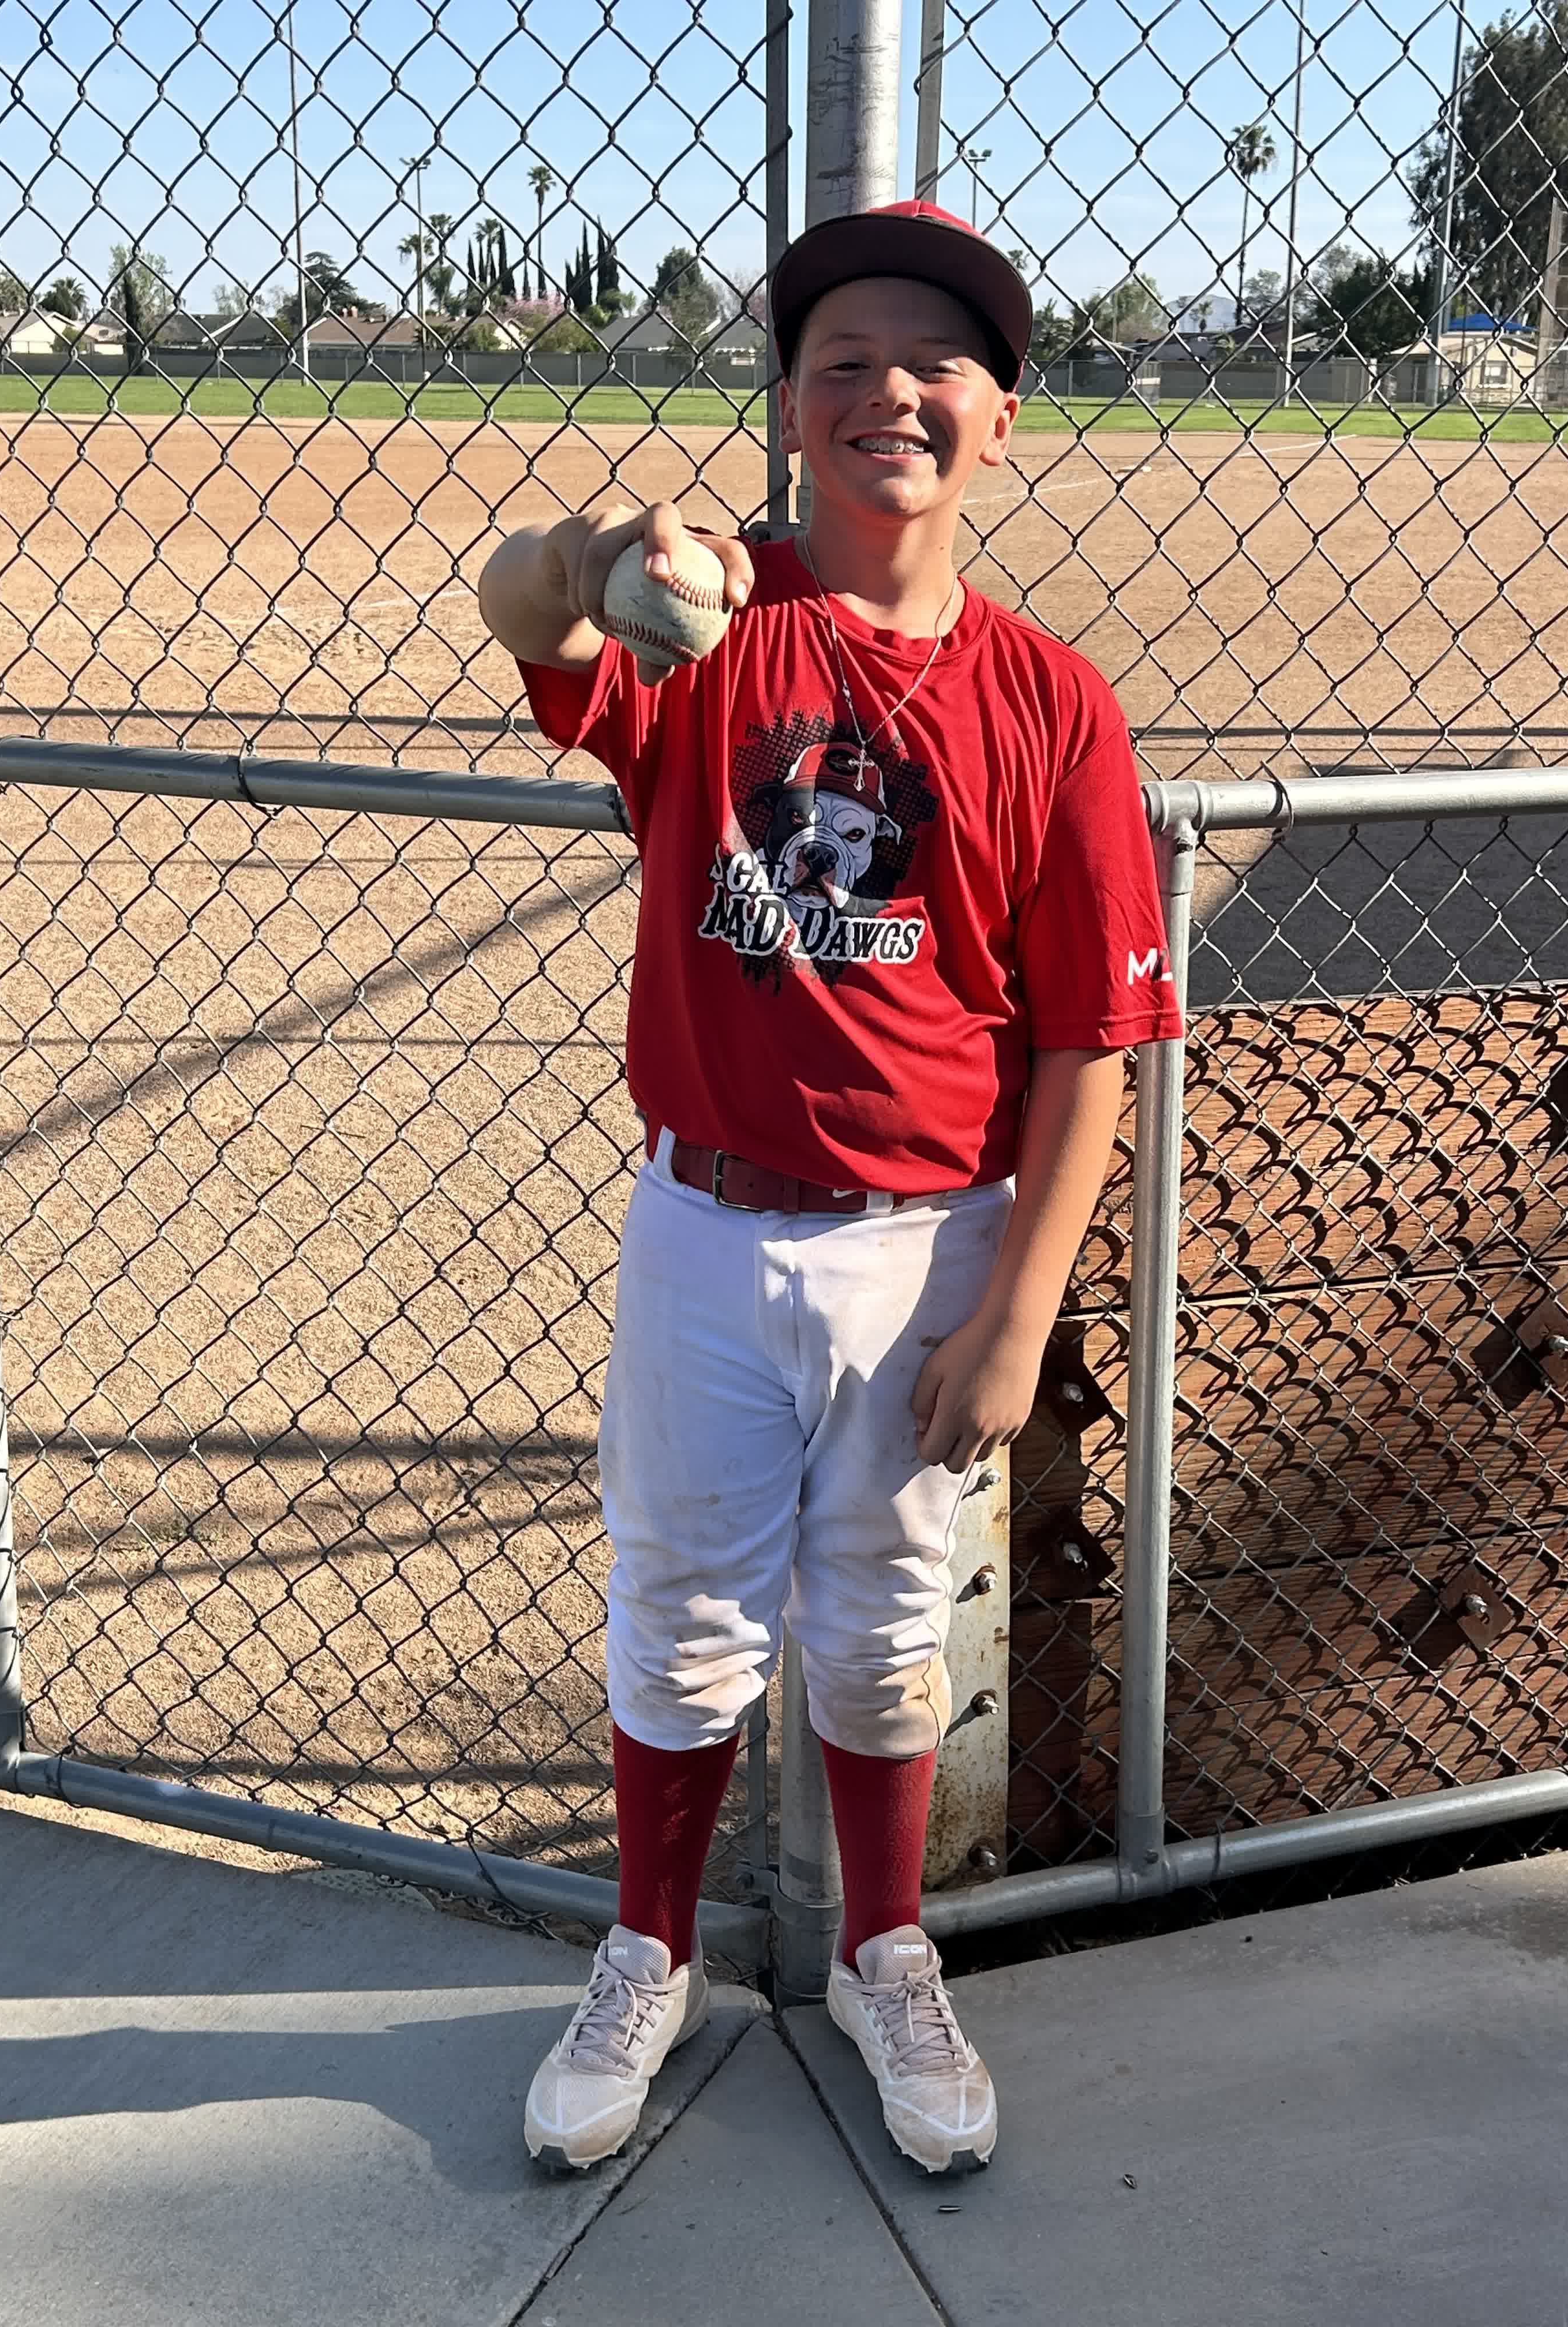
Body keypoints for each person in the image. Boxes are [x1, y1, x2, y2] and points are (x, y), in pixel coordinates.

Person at [477, 199, 1182, 2178]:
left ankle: (887, 1948)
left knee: (880, 1628)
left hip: (929, 1241)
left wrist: (1021, 1314)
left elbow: (1086, 1046)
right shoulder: (710, 624)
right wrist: (599, 552)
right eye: (846, 359)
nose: (892, 390)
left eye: (936, 362)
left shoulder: (1053, 700)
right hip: (706, 1222)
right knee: (681, 1614)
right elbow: (511, 609)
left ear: (1003, 419)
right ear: (790, 409)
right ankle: (647, 1947)